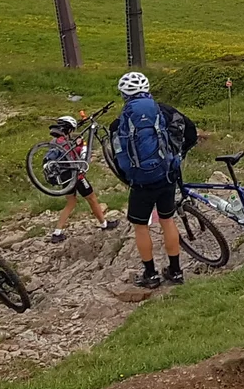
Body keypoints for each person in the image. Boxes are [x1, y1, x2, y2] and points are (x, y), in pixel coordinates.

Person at [109, 71, 185, 287]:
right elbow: (180, 130)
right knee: (167, 221)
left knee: (141, 226)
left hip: (142, 181)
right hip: (166, 174)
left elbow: (118, 155)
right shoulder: (159, 109)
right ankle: (176, 271)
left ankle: (150, 275)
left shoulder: (120, 121)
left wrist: (128, 176)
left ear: (124, 95)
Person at [44, 115, 118, 243]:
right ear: (69, 129)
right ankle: (104, 224)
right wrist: (81, 146)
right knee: (92, 198)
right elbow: (74, 155)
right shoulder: (65, 142)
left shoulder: (55, 141)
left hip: (64, 177)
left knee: (71, 202)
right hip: (76, 176)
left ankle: (57, 232)